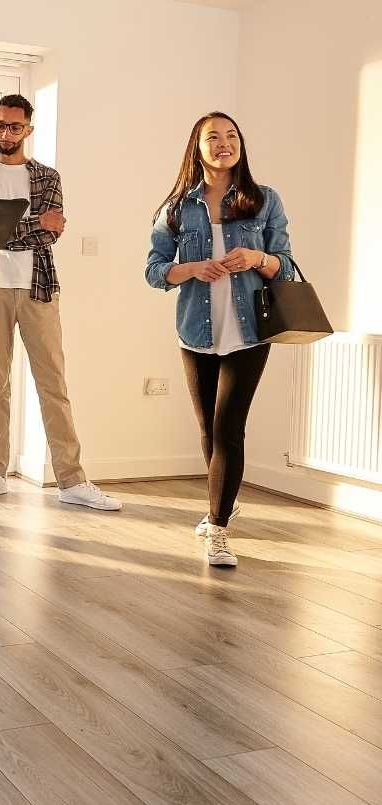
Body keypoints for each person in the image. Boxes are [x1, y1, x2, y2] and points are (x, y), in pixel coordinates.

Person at [146, 111, 293, 567]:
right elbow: (154, 271)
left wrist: (257, 256)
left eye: (232, 136)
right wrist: (191, 268)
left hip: (250, 331)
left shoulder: (264, 200)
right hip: (195, 331)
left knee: (229, 428)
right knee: (209, 431)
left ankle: (218, 528)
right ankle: (223, 500)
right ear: (198, 147)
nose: (224, 143)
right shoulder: (175, 208)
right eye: (214, 137)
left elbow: (285, 265)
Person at [0, 94, 121, 512]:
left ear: (28, 129)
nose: (5, 133)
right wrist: (28, 223)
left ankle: (71, 480)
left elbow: (51, 234)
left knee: (53, 385)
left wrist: (2, 226)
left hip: (38, 289)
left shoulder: (48, 177)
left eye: (14, 126)